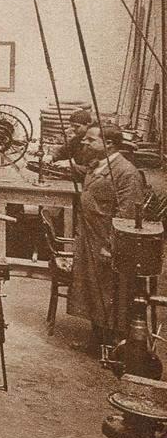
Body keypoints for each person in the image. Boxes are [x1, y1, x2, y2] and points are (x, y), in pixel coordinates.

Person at [69, 123, 146, 353]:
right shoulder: (99, 164)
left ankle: (112, 344)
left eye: (91, 139)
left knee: (109, 291)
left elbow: (127, 214)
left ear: (109, 143)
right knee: (93, 289)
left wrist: (111, 246)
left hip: (106, 241)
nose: (84, 142)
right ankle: (97, 339)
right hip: (90, 237)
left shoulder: (126, 173)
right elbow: (94, 179)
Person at [51, 108, 94, 173]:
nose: (73, 129)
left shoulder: (96, 142)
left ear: (88, 125)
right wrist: (51, 157)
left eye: (77, 126)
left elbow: (93, 170)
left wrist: (72, 166)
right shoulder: (77, 139)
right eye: (72, 126)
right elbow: (63, 152)